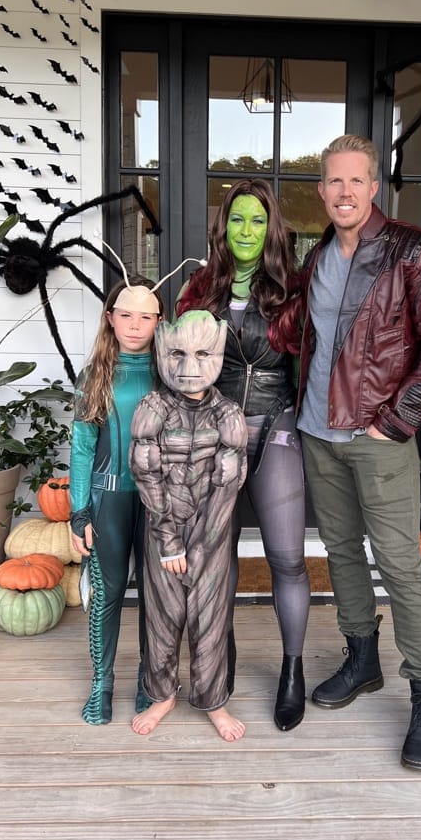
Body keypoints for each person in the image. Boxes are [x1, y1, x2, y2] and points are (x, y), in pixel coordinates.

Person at [295, 134, 421, 771]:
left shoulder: (411, 250)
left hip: (378, 436)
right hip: (318, 432)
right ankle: (362, 661)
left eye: (355, 181)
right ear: (322, 192)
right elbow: (307, 335)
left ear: (374, 188)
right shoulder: (318, 255)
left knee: (399, 564)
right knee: (338, 552)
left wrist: (398, 421)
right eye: (333, 182)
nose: (344, 193)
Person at [175, 178, 309, 732]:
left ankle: (293, 670)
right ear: (223, 227)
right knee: (215, 558)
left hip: (276, 426)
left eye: (257, 220)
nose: (247, 230)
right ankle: (216, 666)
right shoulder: (199, 288)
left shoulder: (294, 289)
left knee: (286, 557)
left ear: (271, 227)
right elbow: (177, 364)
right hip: (213, 437)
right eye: (237, 219)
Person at [129, 310, 249, 742]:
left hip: (211, 535)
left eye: (202, 354)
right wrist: (169, 542)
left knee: (210, 619)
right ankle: (161, 694)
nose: (188, 368)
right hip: (164, 531)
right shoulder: (152, 408)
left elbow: (228, 484)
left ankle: (213, 700)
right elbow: (147, 474)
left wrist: (203, 545)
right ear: (162, 352)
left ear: (219, 353)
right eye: (177, 353)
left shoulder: (230, 414)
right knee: (163, 618)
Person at [70, 274, 164, 726]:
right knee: (106, 593)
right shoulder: (96, 375)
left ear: (158, 321)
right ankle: (102, 683)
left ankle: (150, 680)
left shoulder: (169, 373)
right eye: (126, 315)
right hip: (108, 500)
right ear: (110, 318)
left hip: (157, 502)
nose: (135, 325)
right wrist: (78, 511)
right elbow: (83, 448)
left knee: (154, 594)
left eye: (146, 316)